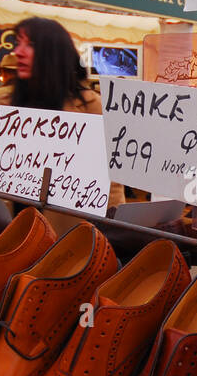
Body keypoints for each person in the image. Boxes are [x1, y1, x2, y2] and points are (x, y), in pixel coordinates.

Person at [9, 17, 126, 229]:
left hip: (66, 240)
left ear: (53, 53)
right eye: (18, 42)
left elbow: (111, 181)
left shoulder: (92, 107)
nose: (18, 51)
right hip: (9, 233)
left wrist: (113, 229)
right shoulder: (3, 104)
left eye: (30, 44)